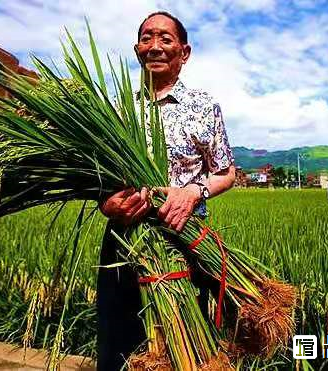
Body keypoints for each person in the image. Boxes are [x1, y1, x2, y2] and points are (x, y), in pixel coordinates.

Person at [96, 11, 236, 370]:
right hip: (124, 241)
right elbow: (100, 179)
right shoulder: (117, 110)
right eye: (146, 38)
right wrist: (107, 202)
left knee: (185, 344)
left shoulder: (204, 107)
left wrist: (192, 192)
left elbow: (225, 173)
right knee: (119, 342)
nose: (154, 46)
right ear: (137, 48)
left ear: (184, 52)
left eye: (165, 39)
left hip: (184, 238)